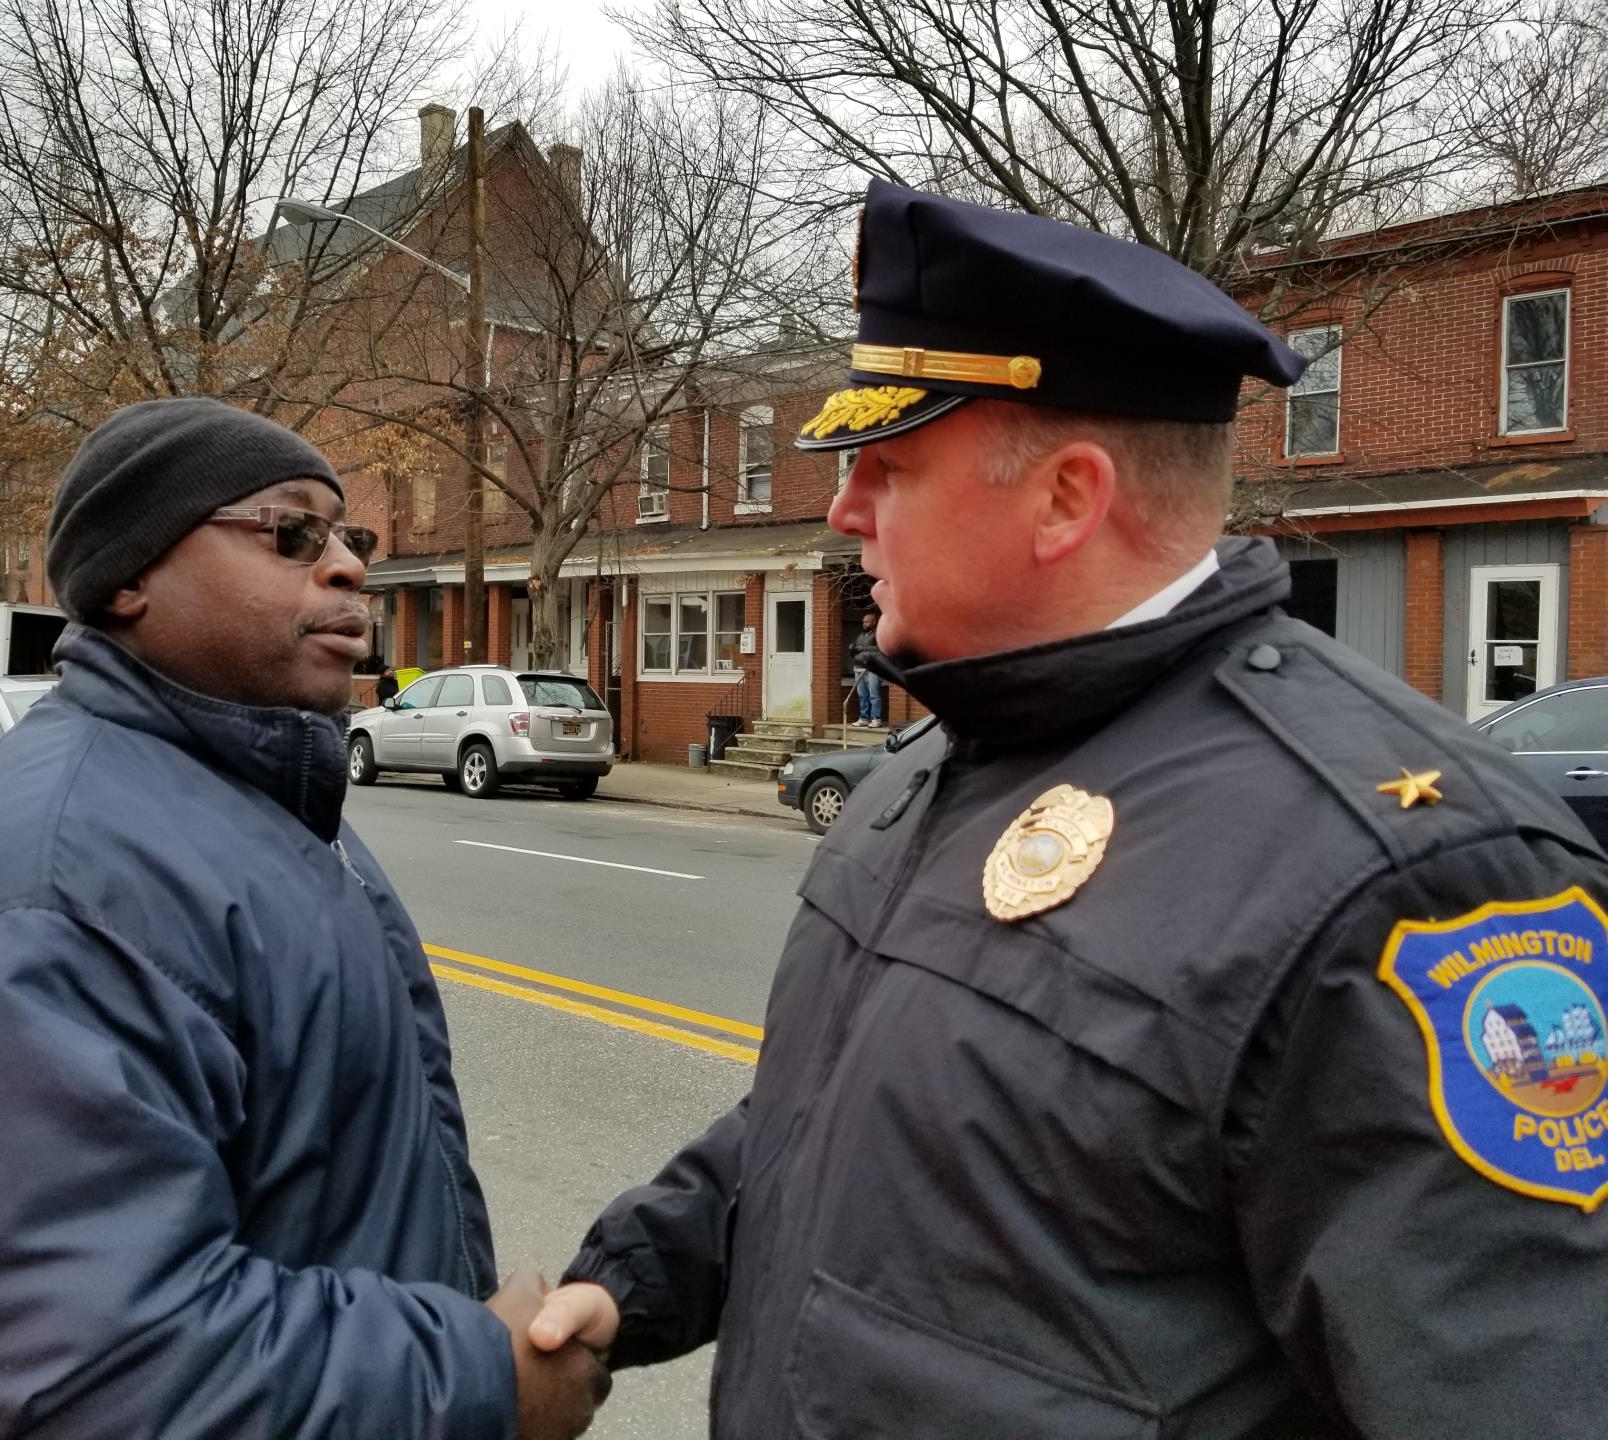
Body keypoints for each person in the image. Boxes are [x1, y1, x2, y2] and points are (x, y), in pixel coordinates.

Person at [529, 181, 1608, 1436]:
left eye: (888, 464)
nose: (840, 509)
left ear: (1066, 498)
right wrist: (633, 1282)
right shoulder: (943, 763)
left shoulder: (1404, 873)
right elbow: (837, 1113)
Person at [0, 398, 609, 1439]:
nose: (348, 568)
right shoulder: (36, 905)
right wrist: (481, 1381)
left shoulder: (272, 811)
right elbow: (73, 1383)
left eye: (347, 536)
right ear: (129, 578)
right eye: (290, 535)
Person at [849, 611, 884, 726]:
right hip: (858, 668)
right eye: (863, 622)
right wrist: (852, 648)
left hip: (872, 669)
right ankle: (864, 718)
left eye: (867, 622)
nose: (864, 624)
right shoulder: (860, 635)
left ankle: (876, 718)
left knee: (874, 694)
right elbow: (855, 649)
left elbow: (881, 649)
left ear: (874, 622)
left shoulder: (878, 634)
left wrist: (863, 648)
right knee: (862, 695)